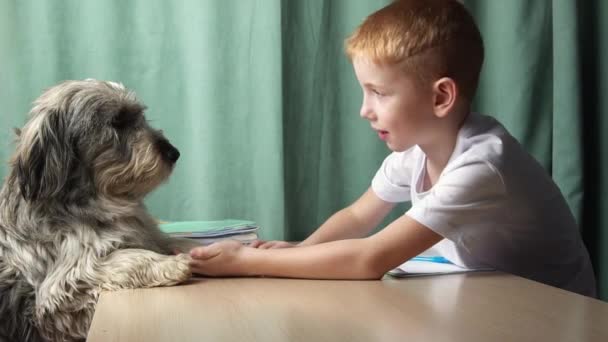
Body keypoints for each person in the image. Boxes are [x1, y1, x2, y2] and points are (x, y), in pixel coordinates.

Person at [189, 0, 596, 297]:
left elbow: (370, 259)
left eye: (379, 93)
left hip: (552, 313)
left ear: (441, 98)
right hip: (493, 296)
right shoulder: (414, 155)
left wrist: (249, 262)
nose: (364, 110)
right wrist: (302, 250)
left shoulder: (482, 165)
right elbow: (356, 217)